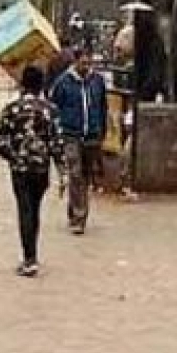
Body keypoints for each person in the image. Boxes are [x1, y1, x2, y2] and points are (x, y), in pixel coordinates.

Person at [0, 65, 61, 277]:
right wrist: (62, 170)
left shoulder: (12, 109)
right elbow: (56, 142)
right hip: (41, 168)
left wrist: (12, 156)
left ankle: (29, 257)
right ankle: (32, 254)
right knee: (35, 208)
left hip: (20, 168)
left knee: (24, 209)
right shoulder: (50, 110)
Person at [48, 51, 107, 235]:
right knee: (75, 174)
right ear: (75, 62)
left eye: (88, 64)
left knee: (86, 176)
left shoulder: (97, 81)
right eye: (82, 63)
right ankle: (79, 217)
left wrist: (101, 130)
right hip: (70, 134)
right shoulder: (63, 83)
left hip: (91, 135)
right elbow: (54, 107)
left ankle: (75, 209)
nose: (85, 67)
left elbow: (102, 106)